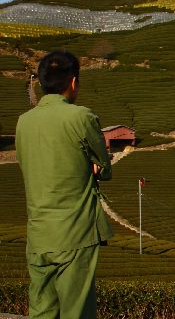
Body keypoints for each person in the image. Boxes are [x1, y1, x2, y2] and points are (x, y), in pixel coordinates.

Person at [16, 50, 113, 318]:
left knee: (42, 311)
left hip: (39, 235)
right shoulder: (81, 117)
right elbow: (104, 168)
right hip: (75, 233)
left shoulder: (24, 122)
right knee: (76, 311)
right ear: (73, 82)